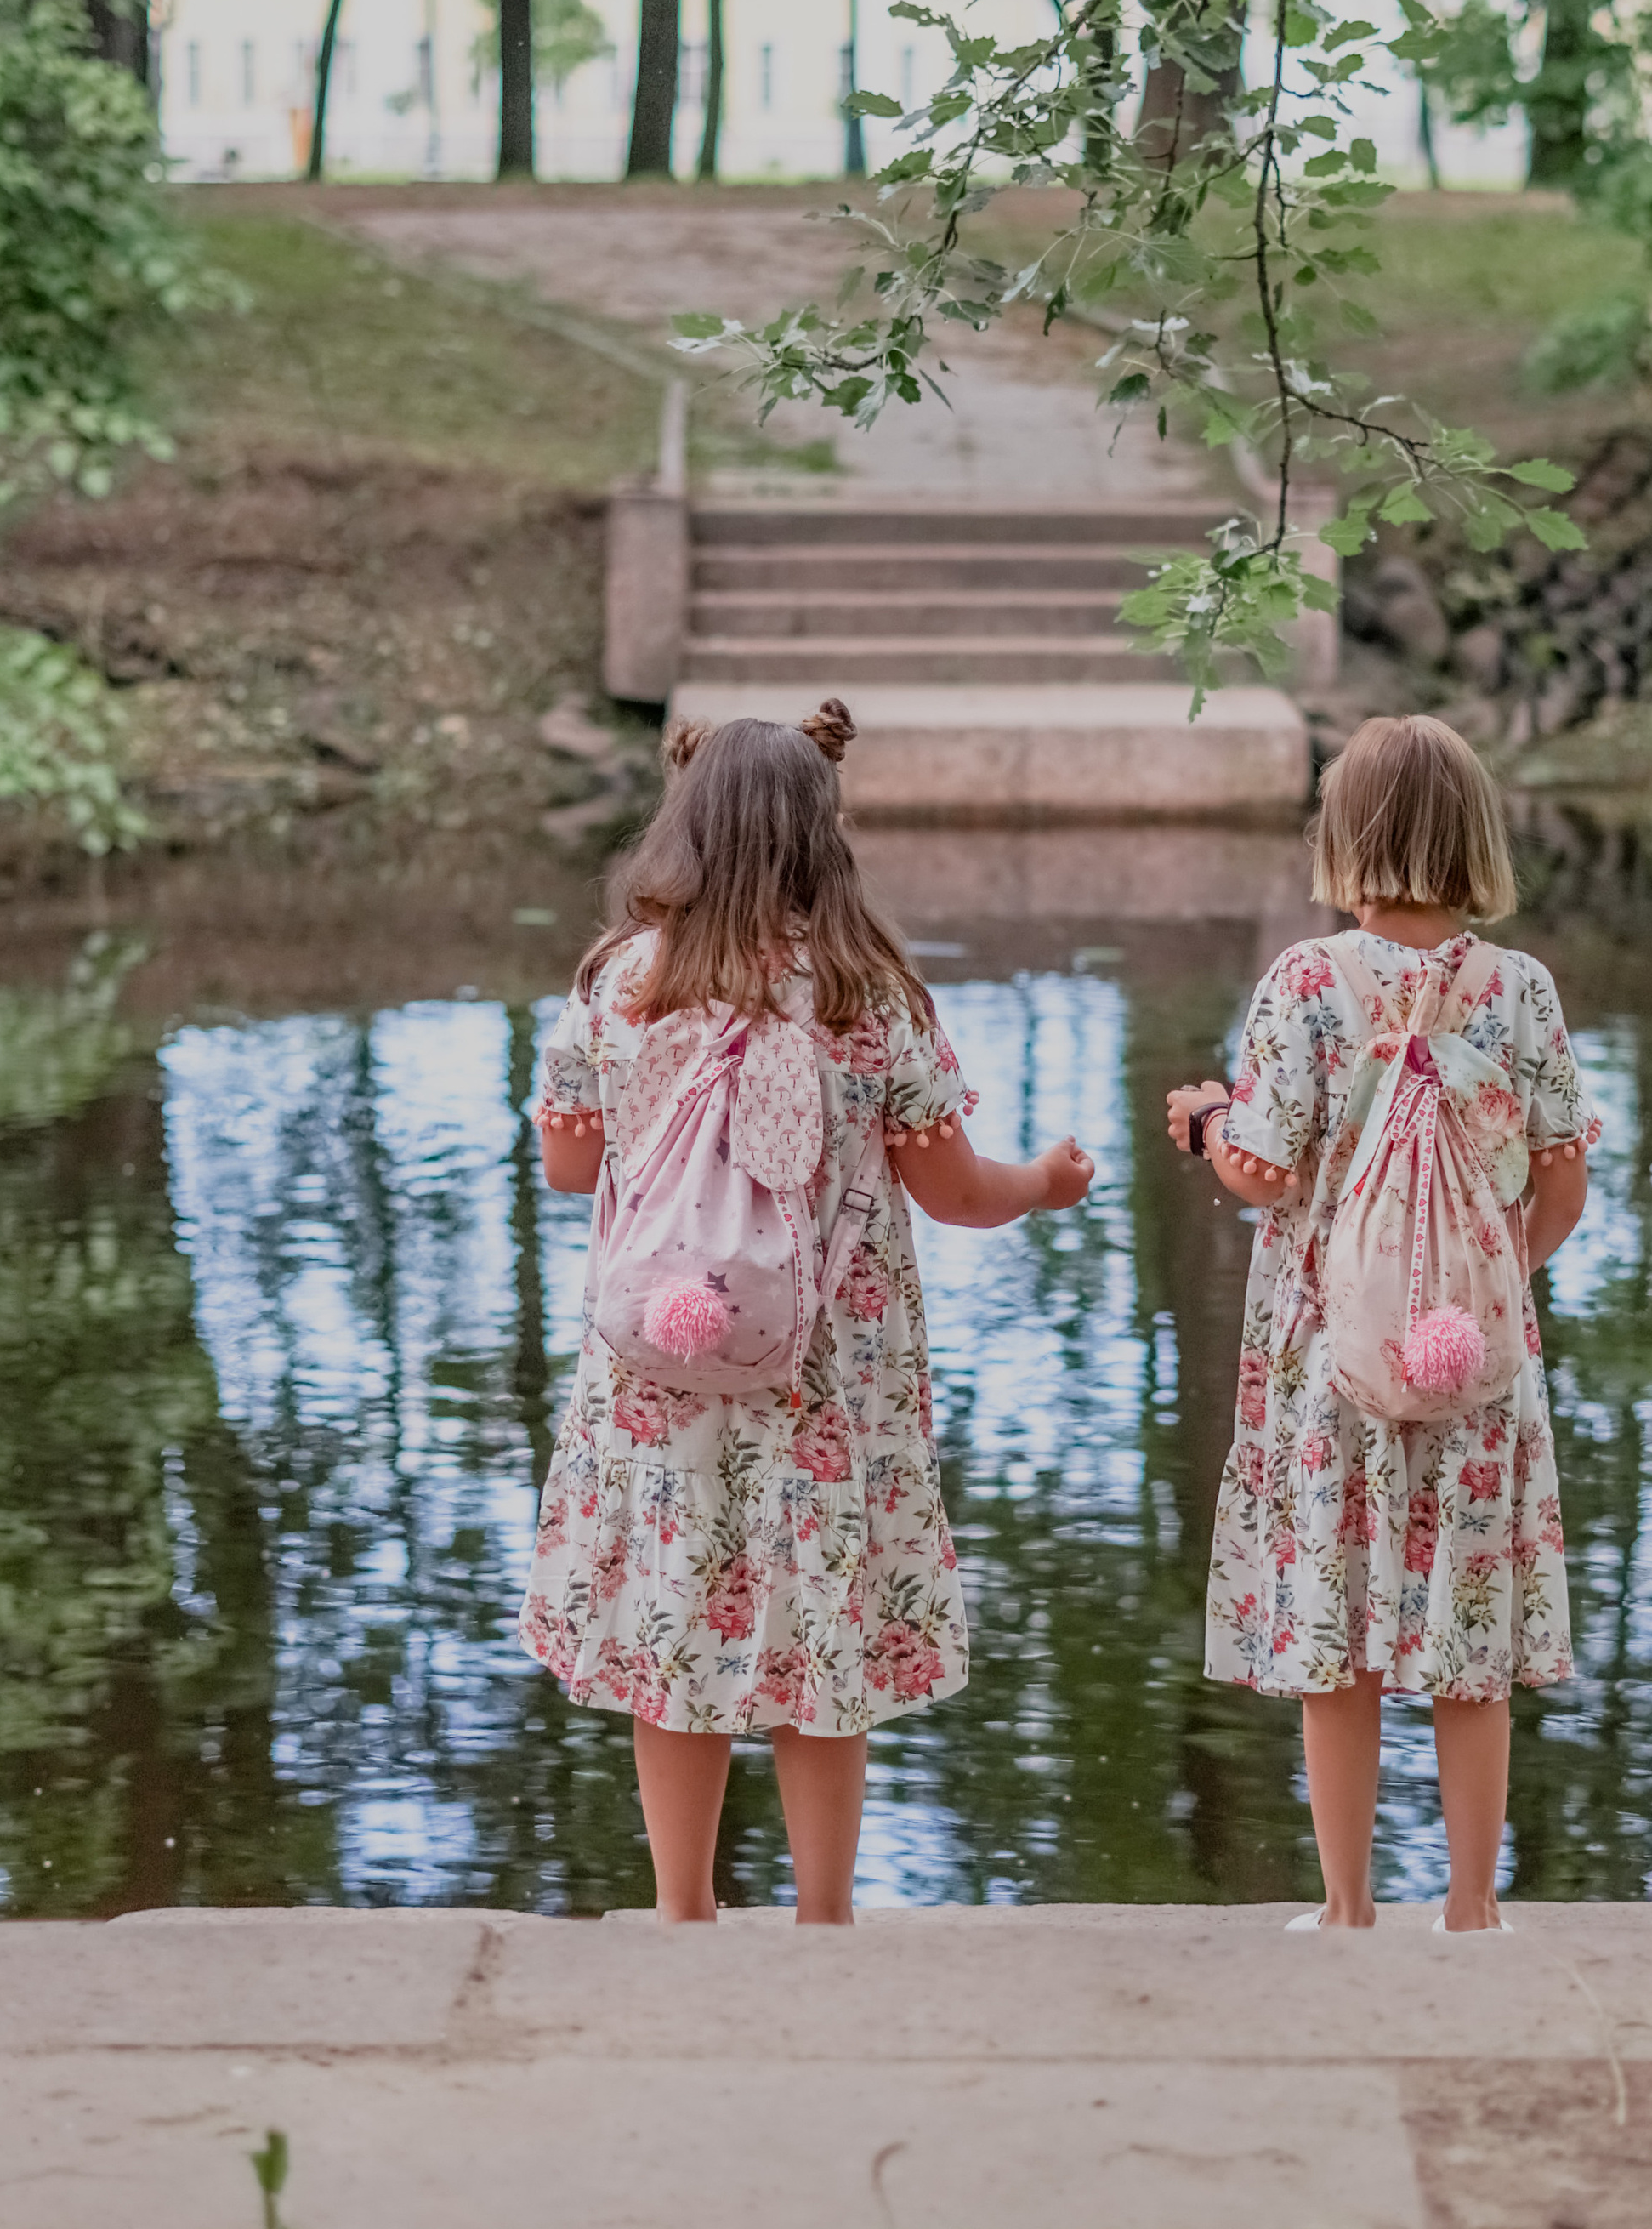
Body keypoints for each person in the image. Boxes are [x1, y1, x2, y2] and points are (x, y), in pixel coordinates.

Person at [524, 701, 1093, 1925]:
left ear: (685, 828)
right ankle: (824, 1917)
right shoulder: (863, 997)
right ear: (820, 839)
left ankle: (683, 1912)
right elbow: (953, 1192)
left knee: (683, 1622)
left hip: (658, 1373)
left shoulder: (620, 986)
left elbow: (571, 1169)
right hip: (827, 1384)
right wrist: (1046, 1183)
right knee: (817, 1624)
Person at [1164, 714, 1594, 1933]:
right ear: (1478, 838)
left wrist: (1207, 1118)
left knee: (1339, 1625)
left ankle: (1347, 1905)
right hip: (1477, 1362)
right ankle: (1471, 1906)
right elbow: (1561, 1186)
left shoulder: (1308, 982)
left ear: (1344, 835)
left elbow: (1259, 1170)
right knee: (1472, 1629)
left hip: (1328, 1357)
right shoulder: (1520, 992)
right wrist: (1480, 1287)